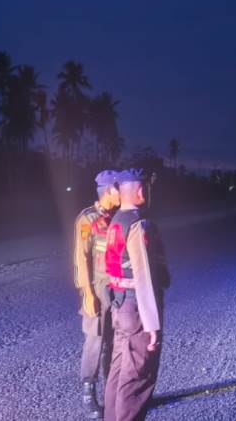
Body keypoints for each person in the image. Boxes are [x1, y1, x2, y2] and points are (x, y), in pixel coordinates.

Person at [103, 168, 170, 421]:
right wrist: (152, 324)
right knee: (138, 378)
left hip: (120, 305)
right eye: (148, 188)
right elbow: (144, 275)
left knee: (119, 371)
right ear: (141, 191)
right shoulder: (138, 224)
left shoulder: (116, 220)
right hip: (136, 309)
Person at [73, 170, 121, 419]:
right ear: (108, 191)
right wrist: (87, 294)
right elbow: (80, 259)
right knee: (95, 340)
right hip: (97, 288)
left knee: (114, 341)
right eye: (118, 188)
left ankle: (111, 392)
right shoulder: (87, 219)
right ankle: (88, 391)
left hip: (117, 289)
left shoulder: (118, 217)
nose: (122, 192)